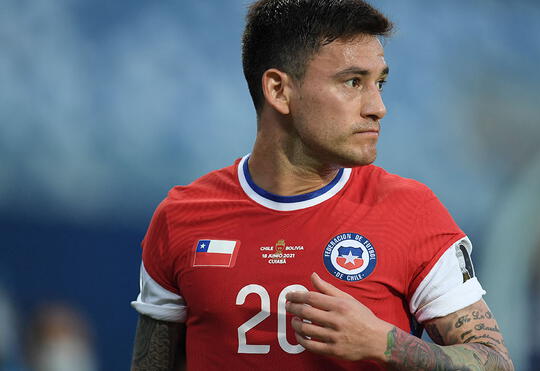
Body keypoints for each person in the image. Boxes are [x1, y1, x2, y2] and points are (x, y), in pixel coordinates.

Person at [130, 0, 514, 370]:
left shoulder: (412, 212)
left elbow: (496, 362)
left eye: (379, 82)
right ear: (279, 90)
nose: (377, 106)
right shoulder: (181, 217)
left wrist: (387, 345)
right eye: (352, 82)